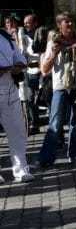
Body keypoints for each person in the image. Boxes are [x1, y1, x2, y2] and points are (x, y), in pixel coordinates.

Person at [36, 12, 76, 167]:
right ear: (59, 25)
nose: (70, 24)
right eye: (66, 22)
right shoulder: (53, 43)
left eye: (71, 21)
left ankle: (74, 155)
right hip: (60, 87)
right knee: (55, 123)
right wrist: (54, 53)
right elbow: (45, 69)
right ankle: (46, 158)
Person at [0, 26, 34, 183]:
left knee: (17, 130)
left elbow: (20, 60)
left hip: (9, 88)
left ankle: (21, 170)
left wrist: (16, 67)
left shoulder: (5, 37)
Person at [17, 14, 41, 134]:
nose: (26, 24)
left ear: (35, 23)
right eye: (25, 22)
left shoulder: (41, 36)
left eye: (28, 22)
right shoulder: (23, 37)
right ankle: (34, 124)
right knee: (30, 98)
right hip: (28, 70)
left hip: (40, 70)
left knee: (41, 98)